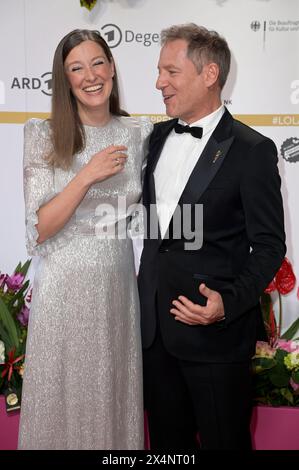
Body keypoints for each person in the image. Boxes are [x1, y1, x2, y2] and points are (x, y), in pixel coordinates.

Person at [138, 23, 286, 450]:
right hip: (155, 337)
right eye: (158, 71)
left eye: (170, 72)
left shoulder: (251, 149)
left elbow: (271, 245)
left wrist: (227, 304)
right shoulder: (155, 138)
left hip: (217, 339)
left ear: (209, 75)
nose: (158, 83)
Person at [18, 29, 152, 450]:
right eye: (76, 68)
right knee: (61, 399)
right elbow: (41, 226)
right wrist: (88, 173)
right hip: (64, 287)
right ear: (64, 79)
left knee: (113, 398)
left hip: (116, 287)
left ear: (112, 68)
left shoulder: (139, 133)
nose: (90, 76)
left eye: (98, 63)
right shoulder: (43, 134)